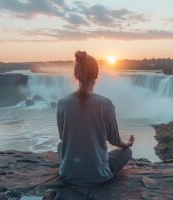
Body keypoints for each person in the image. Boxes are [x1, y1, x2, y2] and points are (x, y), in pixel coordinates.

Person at [56, 51, 134, 186]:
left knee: (60, 146)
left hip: (67, 174)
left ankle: (73, 166)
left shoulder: (62, 103)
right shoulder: (105, 103)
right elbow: (114, 140)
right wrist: (125, 145)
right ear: (96, 75)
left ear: (76, 75)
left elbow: (63, 137)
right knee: (127, 152)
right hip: (99, 175)